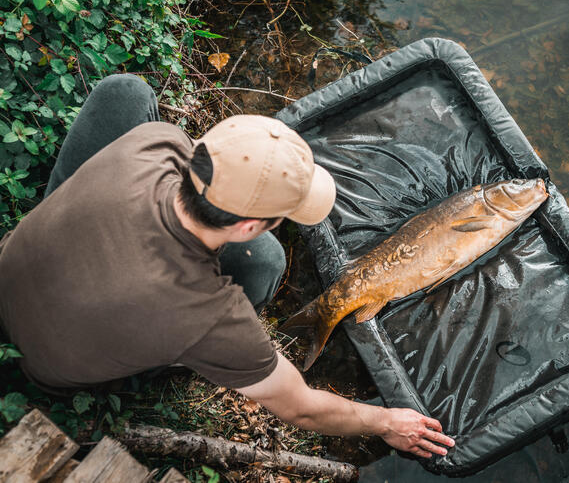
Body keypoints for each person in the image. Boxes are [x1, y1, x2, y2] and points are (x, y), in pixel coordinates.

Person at [0, 74, 454, 459]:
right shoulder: (209, 316)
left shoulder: (156, 143)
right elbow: (301, 409)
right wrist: (386, 421)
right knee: (267, 262)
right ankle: (161, 361)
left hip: (11, 273)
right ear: (249, 225)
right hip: (48, 369)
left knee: (126, 91)